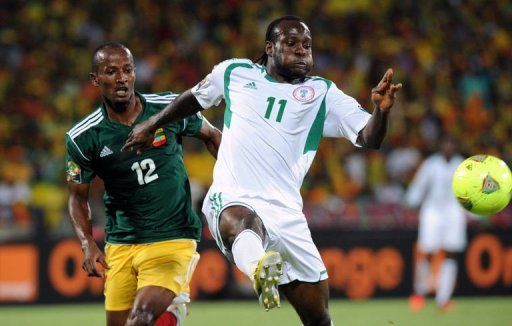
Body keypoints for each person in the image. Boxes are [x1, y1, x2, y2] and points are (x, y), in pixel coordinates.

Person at [123, 16, 401, 325]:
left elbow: (368, 137)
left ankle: (264, 267)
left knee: (319, 318)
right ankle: (259, 270)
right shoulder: (234, 72)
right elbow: (193, 99)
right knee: (242, 221)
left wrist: (381, 110)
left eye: (307, 46)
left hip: (287, 215)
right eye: (292, 43)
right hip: (233, 196)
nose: (301, 51)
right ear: (269, 48)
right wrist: (153, 123)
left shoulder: (322, 93)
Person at [65, 42, 221, 326]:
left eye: (127, 70)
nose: (121, 78)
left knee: (142, 318)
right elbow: (77, 197)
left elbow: (213, 136)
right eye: (111, 71)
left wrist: (236, 184)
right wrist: (87, 243)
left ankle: (171, 312)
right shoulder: (84, 137)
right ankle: (172, 313)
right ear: (95, 79)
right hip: (121, 244)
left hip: (173, 237)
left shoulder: (169, 108)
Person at [405, 135, 466, 312]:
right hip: (432, 211)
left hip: (454, 212)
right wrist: (411, 201)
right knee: (425, 252)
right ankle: (419, 292)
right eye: (445, 143)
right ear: (440, 145)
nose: (448, 146)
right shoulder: (431, 164)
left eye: (451, 143)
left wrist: (477, 214)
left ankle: (443, 299)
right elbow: (419, 186)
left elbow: (471, 192)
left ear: (456, 146)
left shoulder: (463, 165)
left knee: (451, 253)